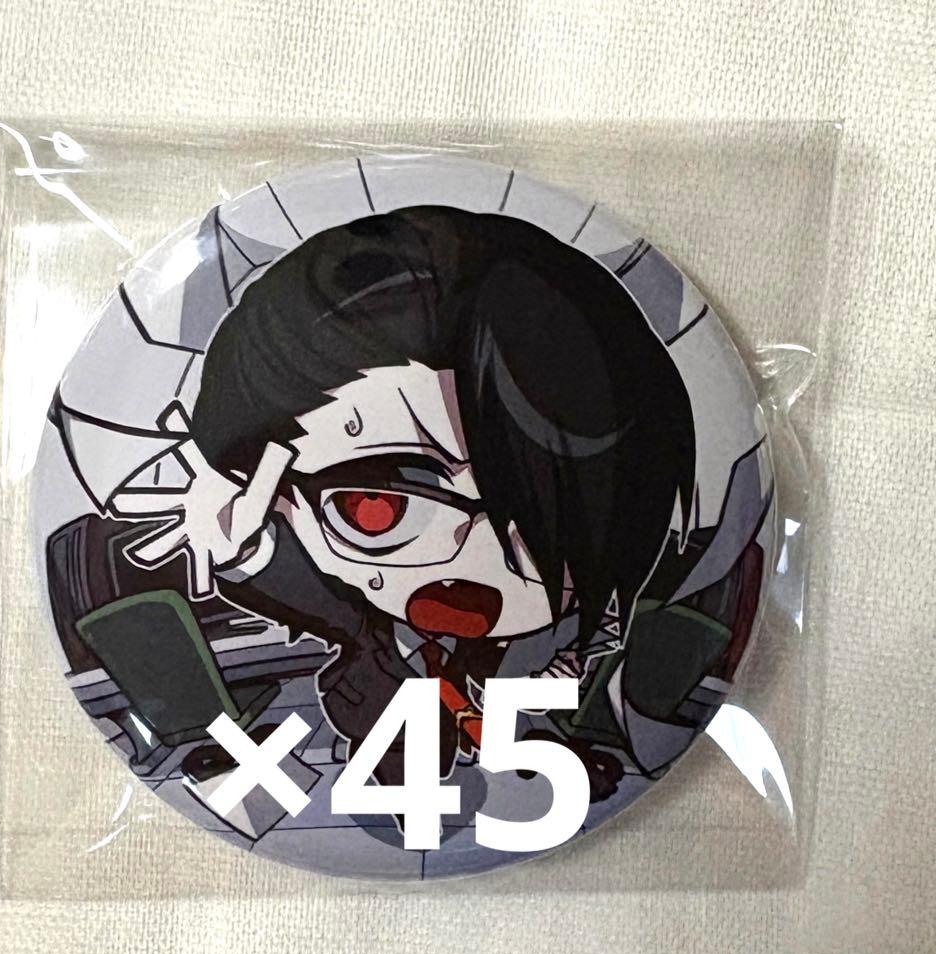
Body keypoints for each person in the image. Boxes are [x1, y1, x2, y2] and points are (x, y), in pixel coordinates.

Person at [109, 206, 696, 796]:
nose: (467, 557)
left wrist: (559, 680)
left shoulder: (568, 637)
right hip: (385, 736)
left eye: (555, 521)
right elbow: (315, 598)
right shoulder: (358, 618)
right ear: (282, 500)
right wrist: (245, 553)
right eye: (378, 507)